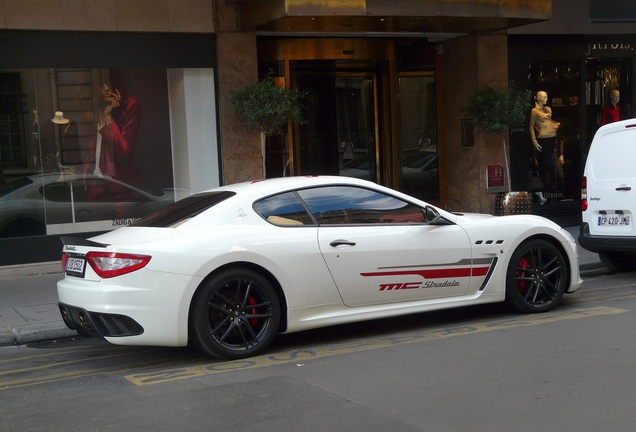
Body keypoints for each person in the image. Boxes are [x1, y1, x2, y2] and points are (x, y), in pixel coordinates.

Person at [529, 91, 563, 204]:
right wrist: (534, 141)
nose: (546, 99)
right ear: (538, 98)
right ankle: (548, 194)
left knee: (555, 169)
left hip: (551, 141)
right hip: (543, 141)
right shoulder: (534, 111)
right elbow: (531, 126)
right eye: (544, 97)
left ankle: (553, 194)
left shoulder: (547, 110)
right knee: (545, 168)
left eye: (547, 97)